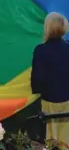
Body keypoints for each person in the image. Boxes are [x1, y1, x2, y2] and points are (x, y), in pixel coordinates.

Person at [30, 12, 69, 147]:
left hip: (49, 101)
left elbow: (38, 78)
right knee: (66, 139)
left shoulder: (41, 50)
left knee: (51, 138)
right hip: (68, 100)